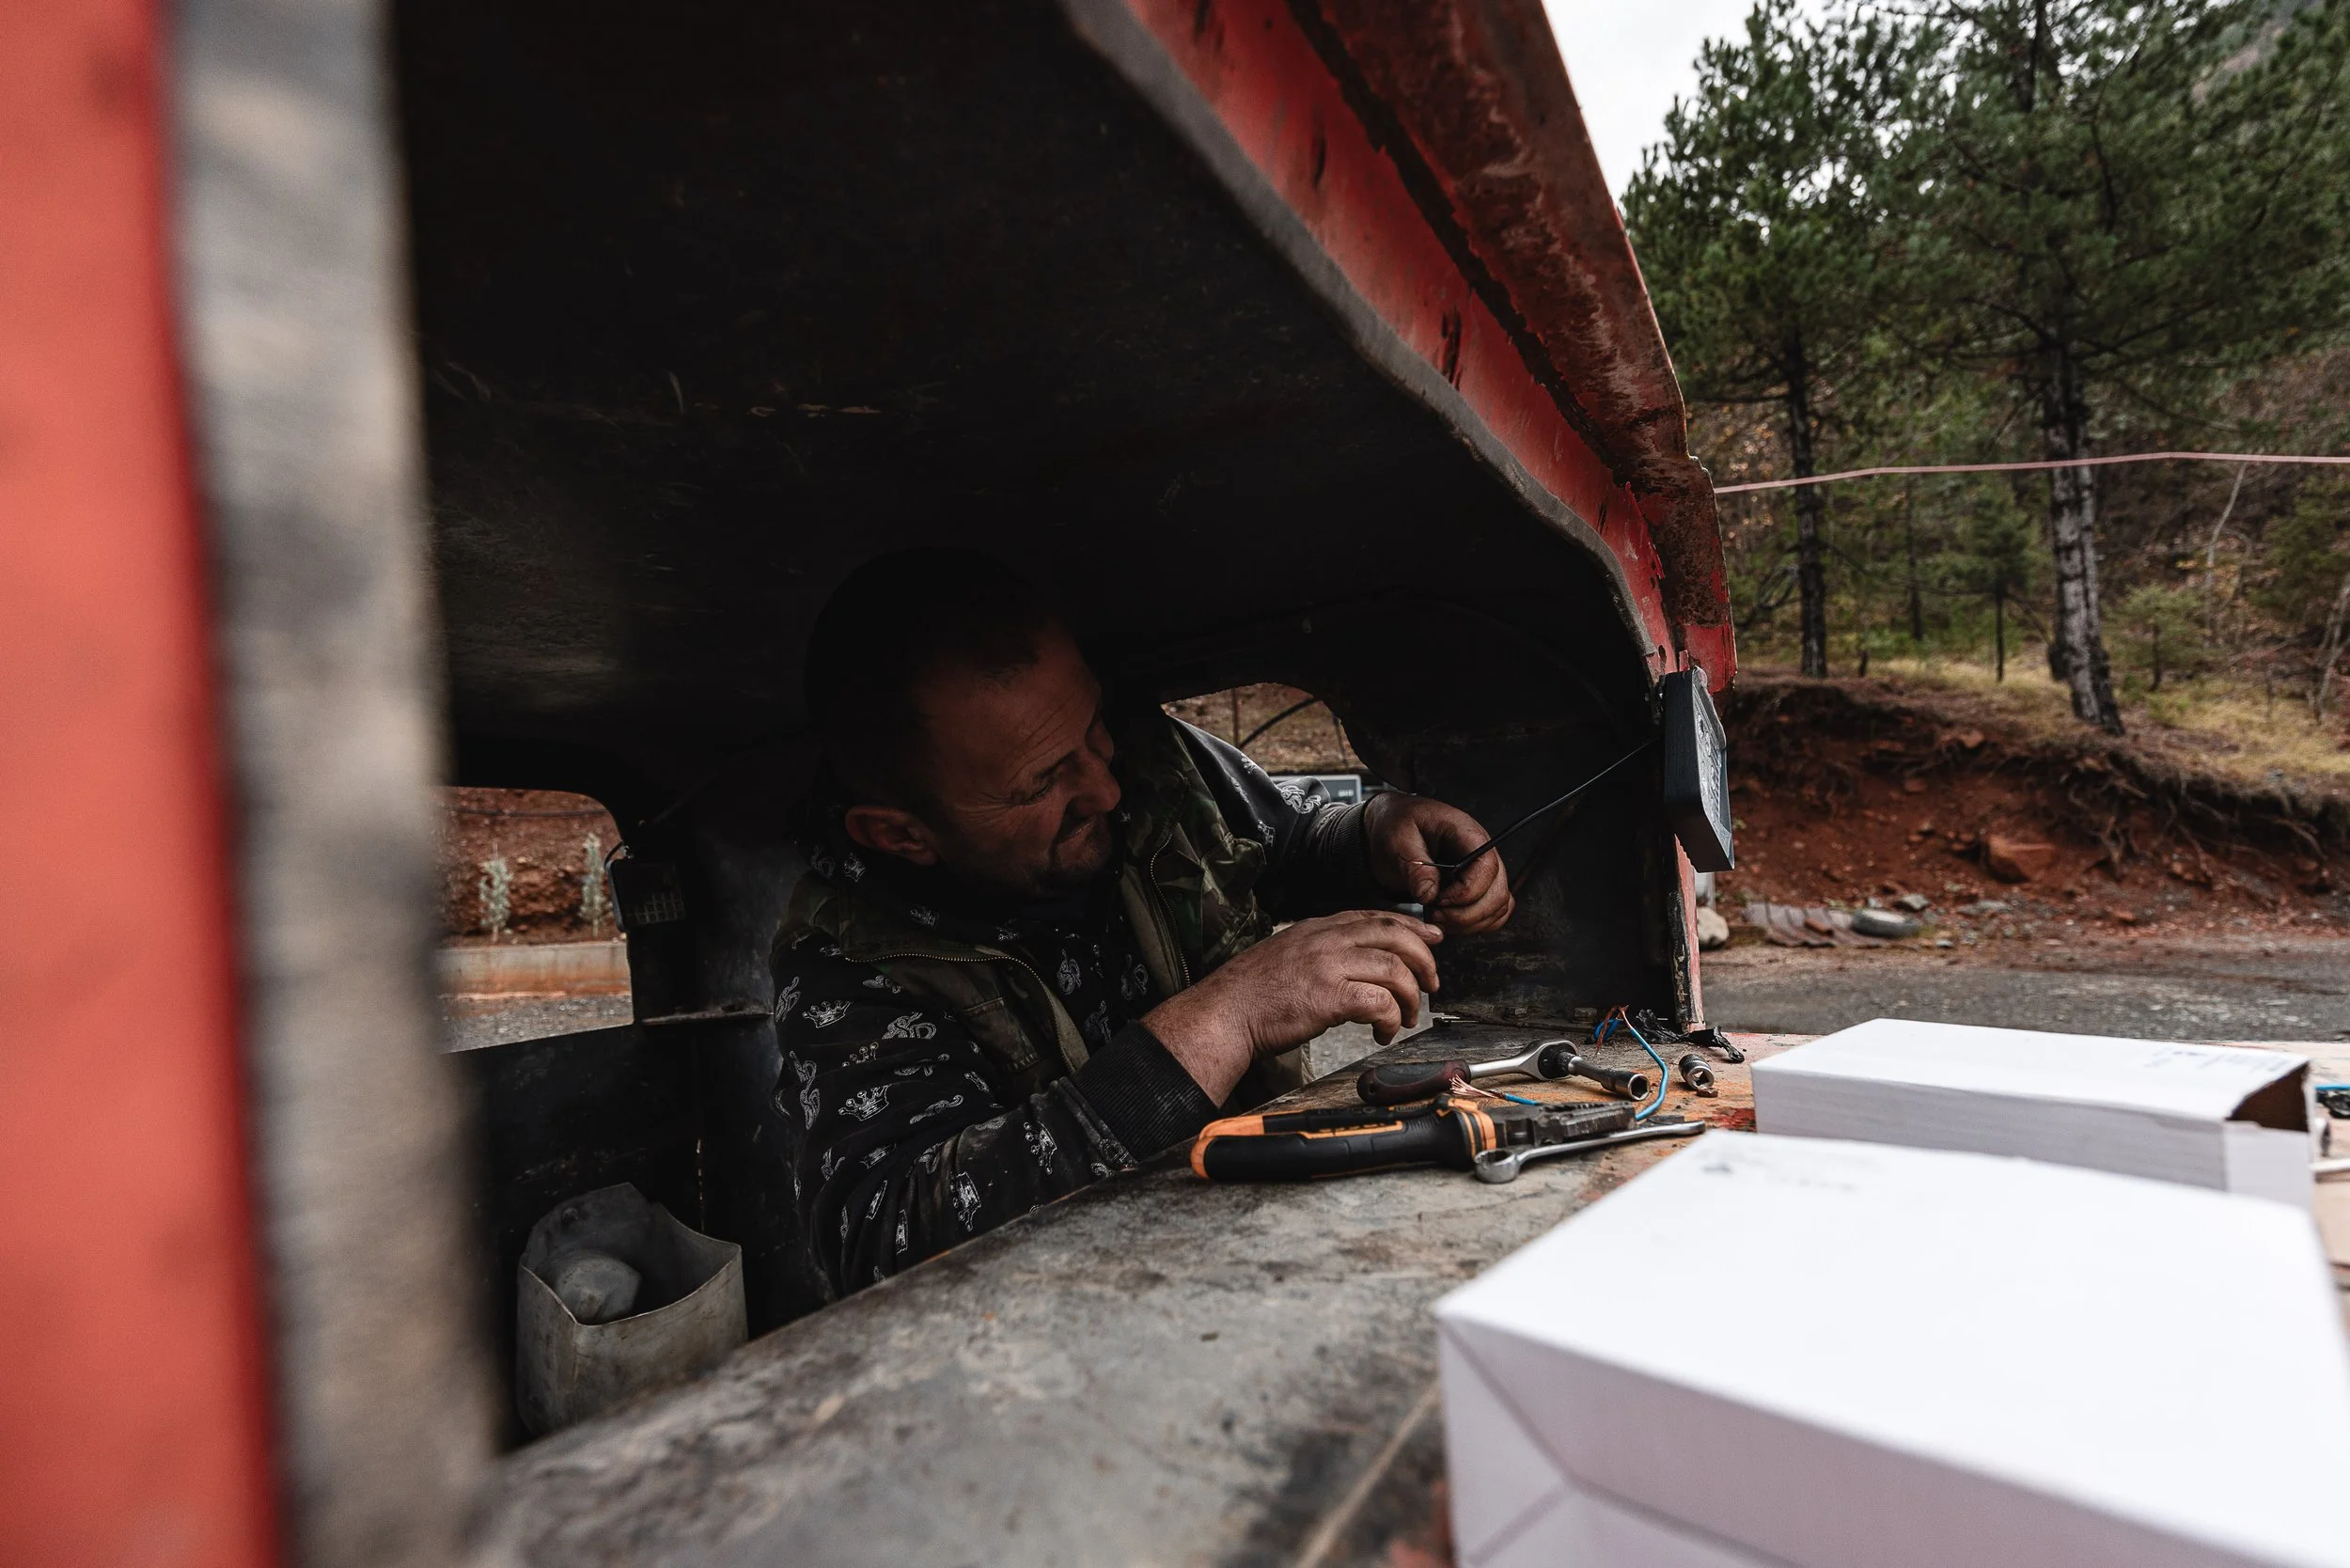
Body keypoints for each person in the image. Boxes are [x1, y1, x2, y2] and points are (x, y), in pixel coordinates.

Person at [775, 550, 1512, 1295]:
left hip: (1276, 1252)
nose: (1102, 784)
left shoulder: (1148, 756)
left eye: (1092, 728)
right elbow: (883, 1242)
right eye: (1042, 782)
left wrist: (1376, 834)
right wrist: (1232, 1014)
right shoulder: (849, 966)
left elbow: (1281, 843)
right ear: (902, 836)